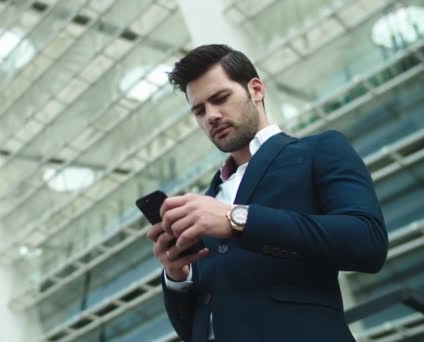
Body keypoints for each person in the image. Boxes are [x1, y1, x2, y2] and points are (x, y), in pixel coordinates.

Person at [146, 44, 388, 342]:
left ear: (256, 89)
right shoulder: (207, 200)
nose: (211, 115)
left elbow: (367, 241)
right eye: (199, 110)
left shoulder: (319, 150)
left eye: (220, 98)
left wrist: (237, 219)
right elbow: (193, 328)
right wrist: (177, 277)